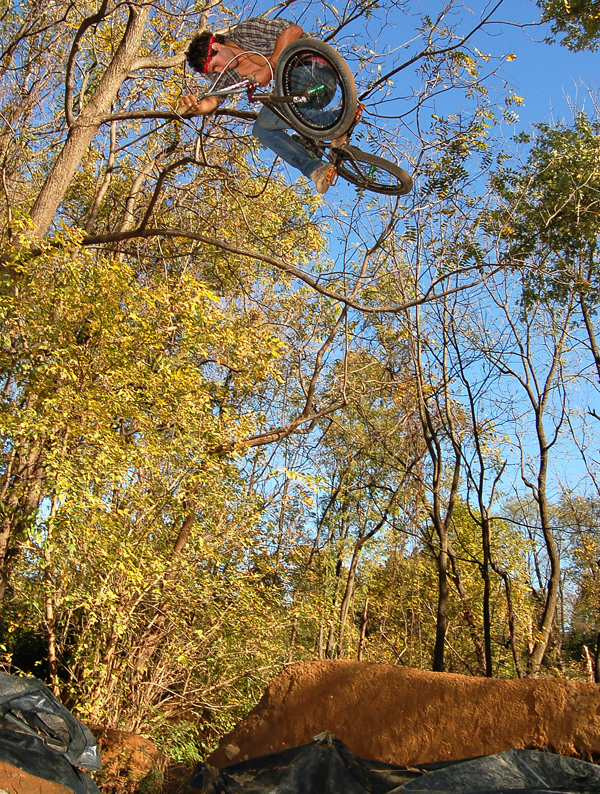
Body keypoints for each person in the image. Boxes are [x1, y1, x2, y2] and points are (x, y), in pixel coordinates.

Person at [178, 17, 336, 194]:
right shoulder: (230, 73)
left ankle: (336, 121)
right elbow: (213, 100)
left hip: (313, 68)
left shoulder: (246, 32)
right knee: (261, 129)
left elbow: (294, 31)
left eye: (216, 65)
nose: (220, 70)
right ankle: (316, 168)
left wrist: (268, 68)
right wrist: (197, 108)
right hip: (308, 95)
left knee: (269, 117)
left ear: (217, 47)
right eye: (214, 71)